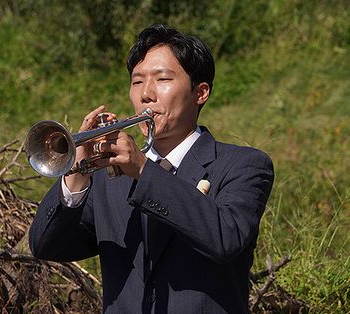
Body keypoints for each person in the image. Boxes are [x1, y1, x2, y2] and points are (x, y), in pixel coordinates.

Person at [29, 24, 274, 313]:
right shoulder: (109, 177)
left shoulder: (243, 165)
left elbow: (226, 238)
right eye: (137, 82)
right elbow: (47, 246)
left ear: (201, 92)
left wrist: (143, 170)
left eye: (163, 79)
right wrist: (76, 172)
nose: (146, 94)